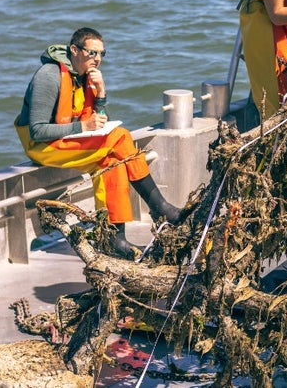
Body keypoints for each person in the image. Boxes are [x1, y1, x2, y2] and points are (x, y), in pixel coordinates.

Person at [14, 27, 182, 258]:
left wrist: (101, 93)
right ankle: (160, 208)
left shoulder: (87, 77)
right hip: (44, 147)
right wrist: (83, 127)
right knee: (121, 136)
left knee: (112, 161)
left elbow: (100, 122)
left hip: (71, 140)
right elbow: (37, 131)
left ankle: (114, 238)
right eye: (92, 53)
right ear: (74, 50)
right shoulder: (49, 76)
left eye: (102, 54)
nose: (98, 59)